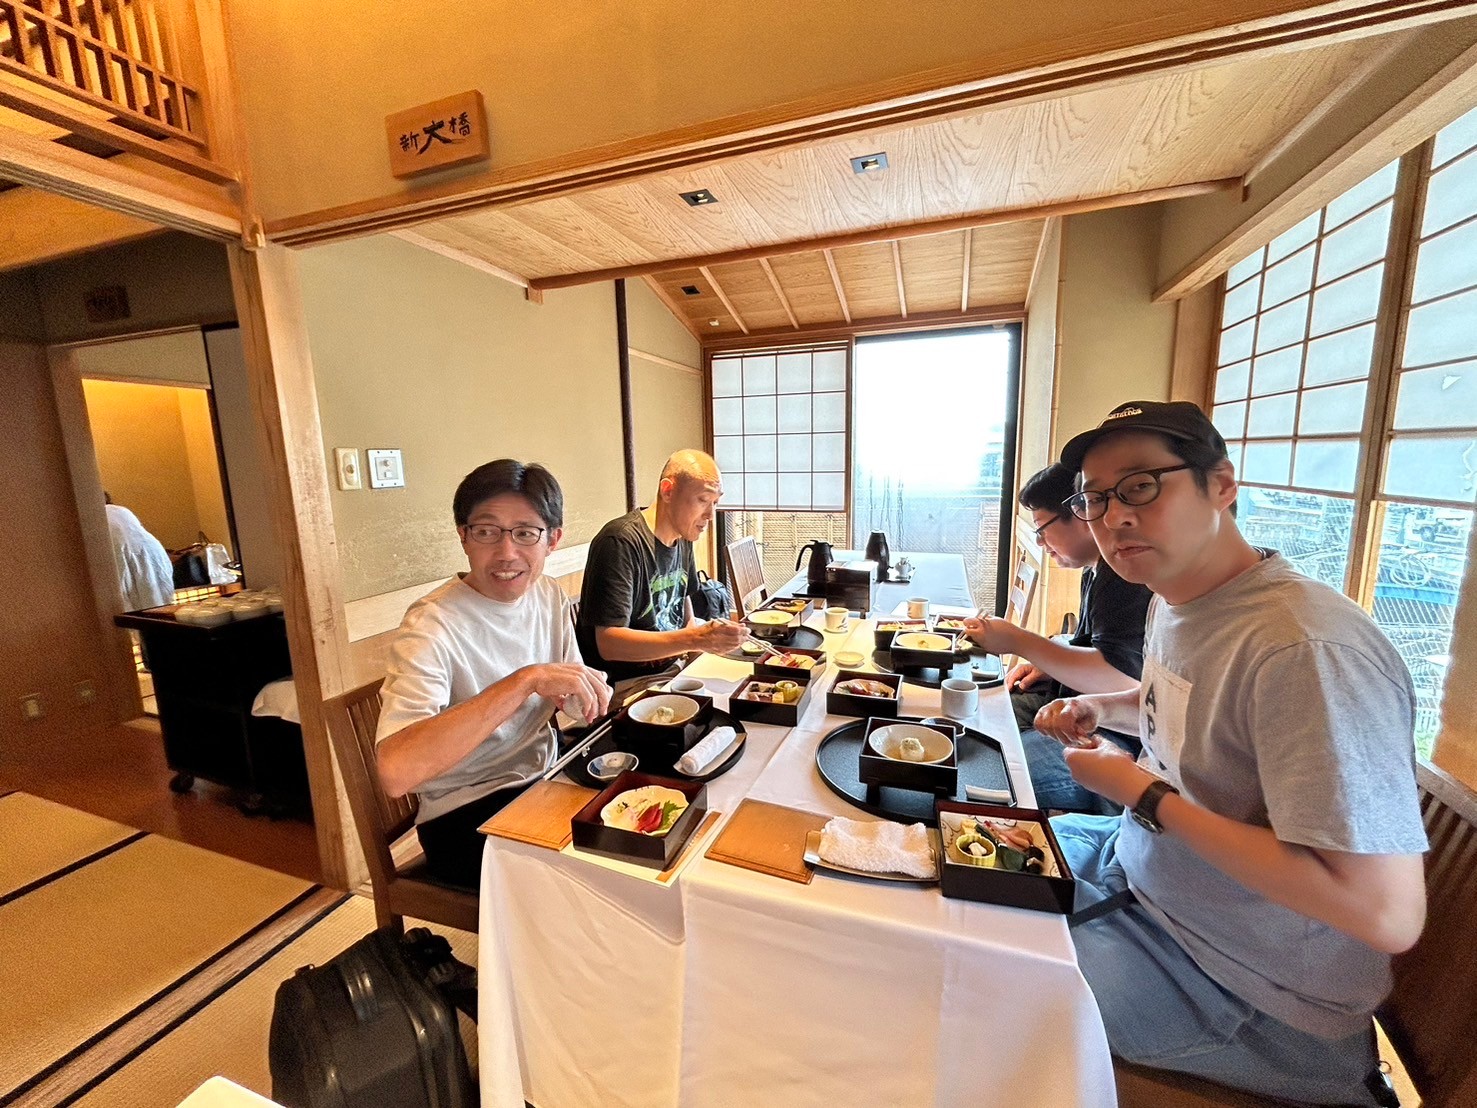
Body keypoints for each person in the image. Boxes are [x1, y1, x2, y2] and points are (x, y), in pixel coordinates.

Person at [1032, 400, 1426, 1105]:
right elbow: (1188, 704)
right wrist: (1103, 709)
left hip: (1240, 985)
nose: (1113, 517)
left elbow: (1384, 914)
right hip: (1145, 880)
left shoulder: (1306, 649)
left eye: (1140, 487)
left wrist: (1141, 793)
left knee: (979, 967)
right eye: (1095, 498)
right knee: (961, 854)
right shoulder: (1178, 597)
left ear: (1220, 484)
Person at [375, 460, 611, 888]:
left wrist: (582, 696)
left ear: (553, 540)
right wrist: (524, 681)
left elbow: (569, 690)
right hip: (464, 815)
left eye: (525, 533)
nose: (506, 553)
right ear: (463, 537)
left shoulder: (546, 593)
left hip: (546, 777)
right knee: (606, 875)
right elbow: (396, 772)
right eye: (486, 531)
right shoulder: (430, 626)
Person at [961, 463, 1151, 813]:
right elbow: (1096, 646)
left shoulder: (1125, 579)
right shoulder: (1097, 569)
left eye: (1042, 528)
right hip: (1068, 705)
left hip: (1113, 735)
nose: (1039, 542)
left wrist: (1020, 641)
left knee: (988, 777)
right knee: (973, 717)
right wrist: (1050, 662)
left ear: (1081, 514)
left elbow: (1120, 678)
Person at [576, 449, 748, 684]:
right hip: (628, 683)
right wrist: (696, 638)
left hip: (674, 668)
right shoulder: (620, 542)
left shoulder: (683, 536)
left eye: (715, 503)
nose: (710, 514)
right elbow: (609, 644)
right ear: (668, 491)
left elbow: (683, 601)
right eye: (703, 500)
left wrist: (695, 656)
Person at [104, 495, 175, 612]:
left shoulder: (99, 518)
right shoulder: (123, 512)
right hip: (152, 554)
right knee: (158, 604)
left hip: (123, 559)